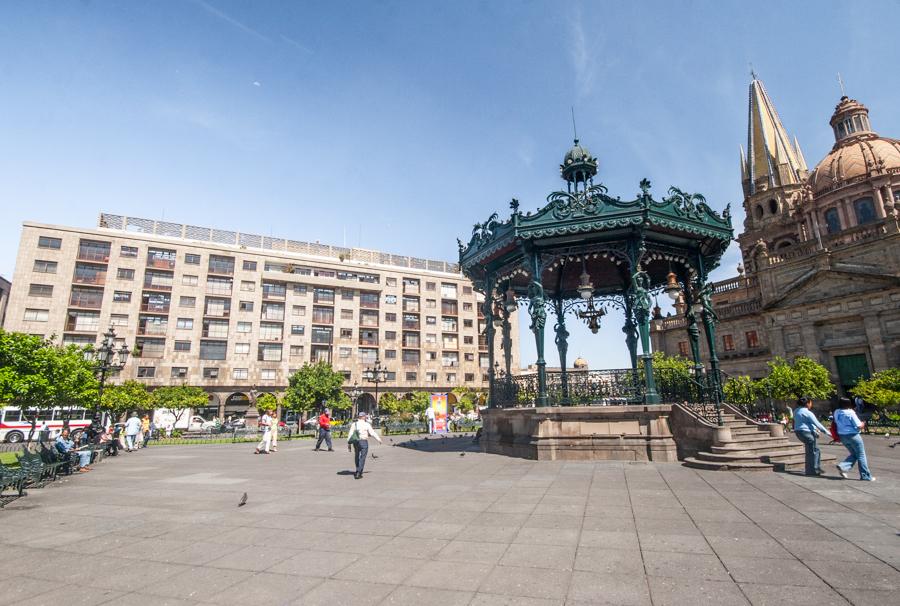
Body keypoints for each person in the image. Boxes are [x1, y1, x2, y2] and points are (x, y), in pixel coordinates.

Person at [834, 397, 875, 481]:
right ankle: (865, 476)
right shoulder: (850, 412)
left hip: (842, 435)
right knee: (861, 455)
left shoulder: (837, 412)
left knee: (854, 454)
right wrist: (863, 423)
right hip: (853, 435)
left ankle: (843, 467)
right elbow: (859, 425)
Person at [792, 396, 828, 476]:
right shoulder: (807, 412)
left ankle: (815, 468)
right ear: (807, 403)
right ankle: (812, 470)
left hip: (799, 432)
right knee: (812, 452)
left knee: (815, 450)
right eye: (811, 402)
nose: (811, 404)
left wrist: (814, 430)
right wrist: (828, 433)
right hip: (806, 433)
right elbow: (817, 423)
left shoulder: (796, 411)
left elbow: (806, 422)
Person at [347, 411, 382, 479]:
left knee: (357, 455)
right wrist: (378, 439)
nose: (366, 417)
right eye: (365, 416)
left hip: (356, 442)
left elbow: (350, 434)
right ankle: (359, 472)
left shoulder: (354, 424)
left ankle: (357, 469)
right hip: (363, 442)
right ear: (363, 417)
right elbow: (372, 433)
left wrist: (348, 443)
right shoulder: (366, 424)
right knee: (362, 457)